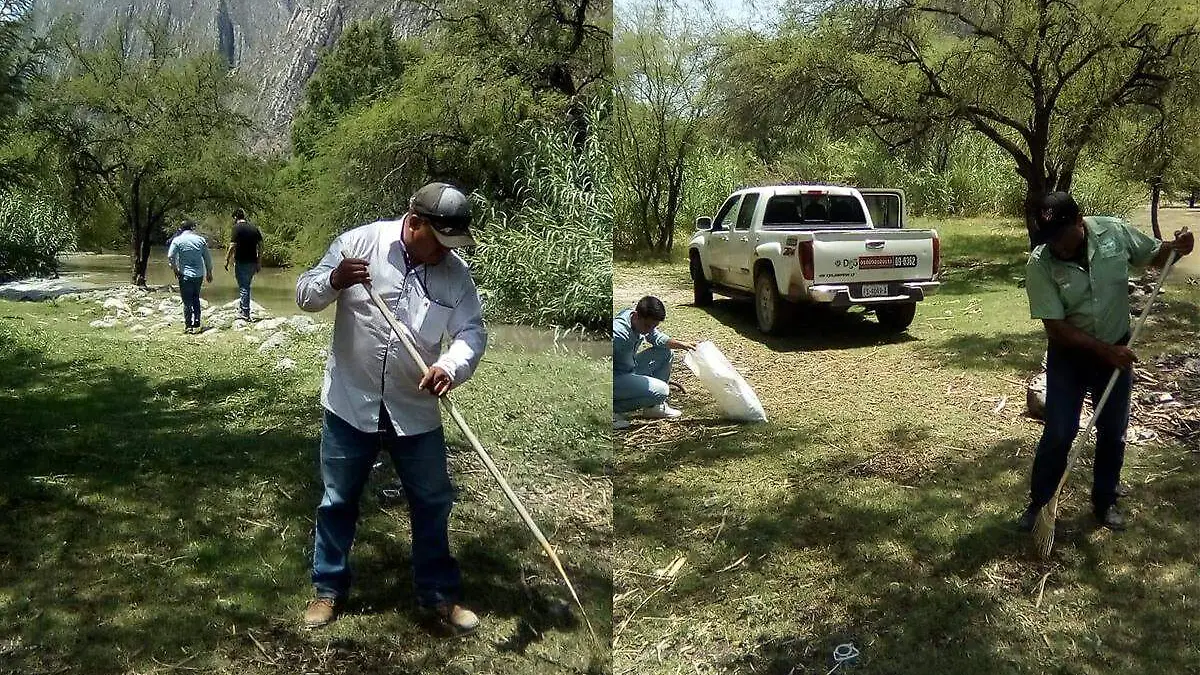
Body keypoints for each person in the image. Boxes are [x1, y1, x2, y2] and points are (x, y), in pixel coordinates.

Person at [295, 182, 487, 634]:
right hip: (350, 401)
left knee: (433, 500)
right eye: (439, 241)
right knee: (337, 499)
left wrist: (449, 366)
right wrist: (334, 280)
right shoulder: (358, 244)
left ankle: (438, 593)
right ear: (414, 221)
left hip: (414, 409)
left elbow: (472, 332)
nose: (444, 252)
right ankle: (328, 589)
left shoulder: (455, 275)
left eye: (452, 243)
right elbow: (305, 294)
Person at [1018, 191, 1193, 531]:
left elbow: (1154, 256)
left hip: (1115, 351)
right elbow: (1055, 328)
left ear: (1079, 222)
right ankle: (1040, 504)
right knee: (1059, 431)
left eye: (1059, 237)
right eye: (1047, 239)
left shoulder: (1114, 232)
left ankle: (1105, 501)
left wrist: (1177, 247)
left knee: (1113, 432)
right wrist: (1105, 351)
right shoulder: (1040, 263)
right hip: (1069, 355)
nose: (1055, 246)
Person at [613, 295, 696, 430]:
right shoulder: (617, 333)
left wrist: (682, 344)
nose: (650, 330)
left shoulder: (635, 319)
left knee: (666, 352)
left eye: (654, 326)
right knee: (662, 390)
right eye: (647, 325)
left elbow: (657, 338)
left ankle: (654, 407)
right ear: (637, 315)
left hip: (627, 368)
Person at [166, 220, 213, 334]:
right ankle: (197, 321)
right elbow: (207, 258)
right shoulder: (200, 240)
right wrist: (209, 272)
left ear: (180, 229)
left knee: (187, 301)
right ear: (192, 229)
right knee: (196, 297)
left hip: (185, 274)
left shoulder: (177, 240)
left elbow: (170, 256)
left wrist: (175, 269)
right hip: (198, 274)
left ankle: (188, 325)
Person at [225, 208, 263, 322]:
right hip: (253, 261)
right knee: (246, 285)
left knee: (244, 287)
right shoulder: (254, 228)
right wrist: (259, 261)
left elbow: (232, 246)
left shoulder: (236, 228)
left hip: (241, 261)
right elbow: (261, 245)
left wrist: (226, 260)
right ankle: (243, 309)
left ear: (235, 217)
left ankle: (245, 313)